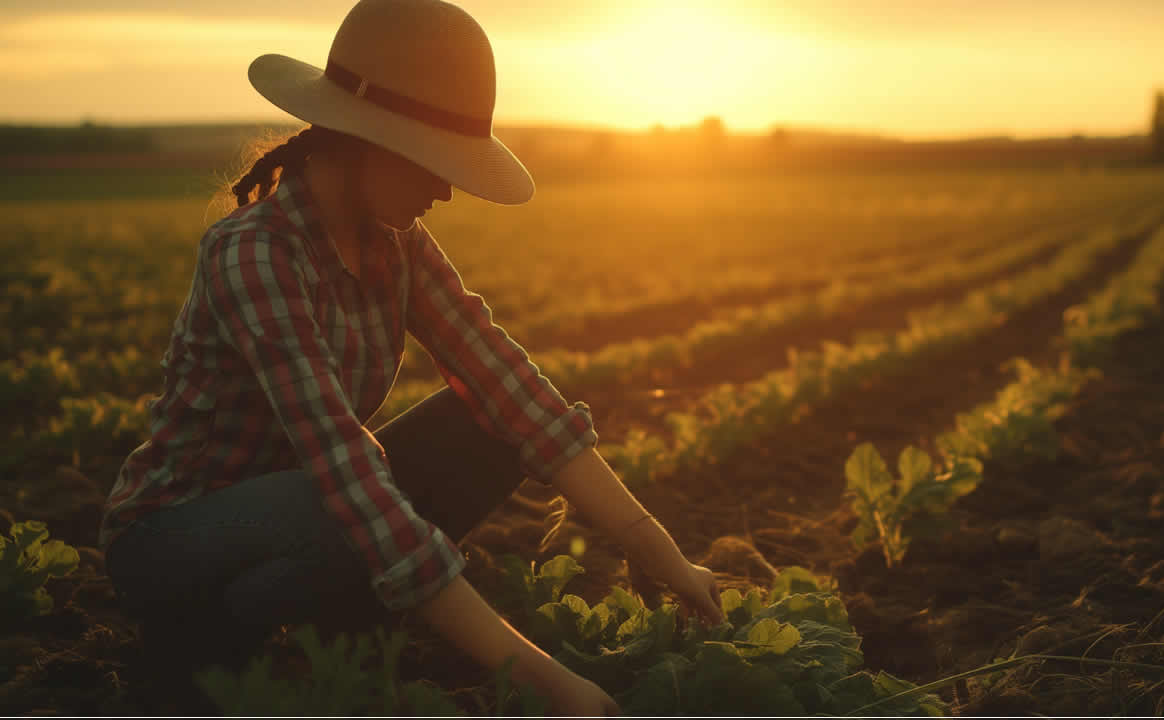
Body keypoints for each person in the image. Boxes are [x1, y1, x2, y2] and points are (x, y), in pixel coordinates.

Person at [99, 0, 723, 715]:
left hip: (312, 509)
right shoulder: (254, 255)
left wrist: (662, 554)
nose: (446, 188)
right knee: (342, 500)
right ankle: (209, 641)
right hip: (173, 539)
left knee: (483, 420)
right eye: (433, 160)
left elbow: (512, 387)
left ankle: (352, 611)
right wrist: (547, 680)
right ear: (365, 138)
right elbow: (343, 465)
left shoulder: (395, 242)